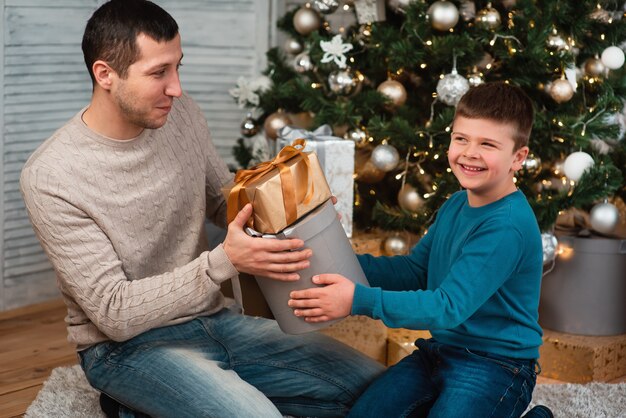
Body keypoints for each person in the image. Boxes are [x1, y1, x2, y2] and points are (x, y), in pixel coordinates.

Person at [19, 1, 384, 417]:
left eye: (177, 66)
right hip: (126, 347)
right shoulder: (51, 176)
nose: (175, 87)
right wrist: (222, 262)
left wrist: (293, 212)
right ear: (105, 74)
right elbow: (113, 313)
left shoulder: (182, 115)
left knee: (379, 391)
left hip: (215, 318)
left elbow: (222, 200)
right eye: (158, 73)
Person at [289, 82, 553, 418]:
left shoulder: (506, 226)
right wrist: (341, 264)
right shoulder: (458, 203)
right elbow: (416, 272)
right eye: (461, 139)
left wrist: (358, 299)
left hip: (497, 365)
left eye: (487, 144)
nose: (470, 152)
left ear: (518, 157)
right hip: (440, 352)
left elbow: (446, 307)